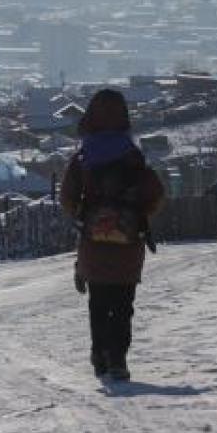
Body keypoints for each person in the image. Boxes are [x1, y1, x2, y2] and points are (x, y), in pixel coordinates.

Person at [60, 88, 165, 381]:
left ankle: (99, 355)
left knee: (98, 302)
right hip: (128, 243)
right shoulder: (133, 156)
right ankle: (118, 358)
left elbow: (67, 198)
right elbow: (156, 194)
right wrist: (137, 215)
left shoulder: (84, 158)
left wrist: (85, 214)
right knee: (122, 303)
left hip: (93, 242)